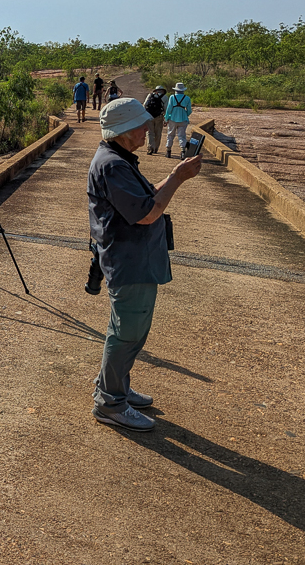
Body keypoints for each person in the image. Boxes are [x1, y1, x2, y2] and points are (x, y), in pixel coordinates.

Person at [87, 98, 202, 430]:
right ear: (123, 131)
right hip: (129, 261)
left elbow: (147, 195)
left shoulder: (119, 159)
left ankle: (115, 388)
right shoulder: (112, 165)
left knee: (130, 332)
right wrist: (178, 178)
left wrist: (173, 175)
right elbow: (148, 212)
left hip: (135, 259)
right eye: (141, 125)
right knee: (126, 334)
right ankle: (110, 403)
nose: (148, 129)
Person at [164, 82, 192, 158]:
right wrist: (185, 114)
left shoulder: (172, 97)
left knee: (170, 135)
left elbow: (169, 109)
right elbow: (189, 110)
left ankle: (168, 151)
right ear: (183, 90)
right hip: (183, 120)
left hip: (172, 119)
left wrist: (166, 118)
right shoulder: (187, 98)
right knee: (182, 136)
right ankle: (183, 151)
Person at [142, 85, 167, 155]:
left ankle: (150, 148)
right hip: (159, 117)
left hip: (149, 116)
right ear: (162, 91)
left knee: (150, 132)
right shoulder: (164, 97)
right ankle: (156, 148)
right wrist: (165, 118)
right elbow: (166, 108)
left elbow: (144, 105)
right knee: (158, 133)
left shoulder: (150, 95)